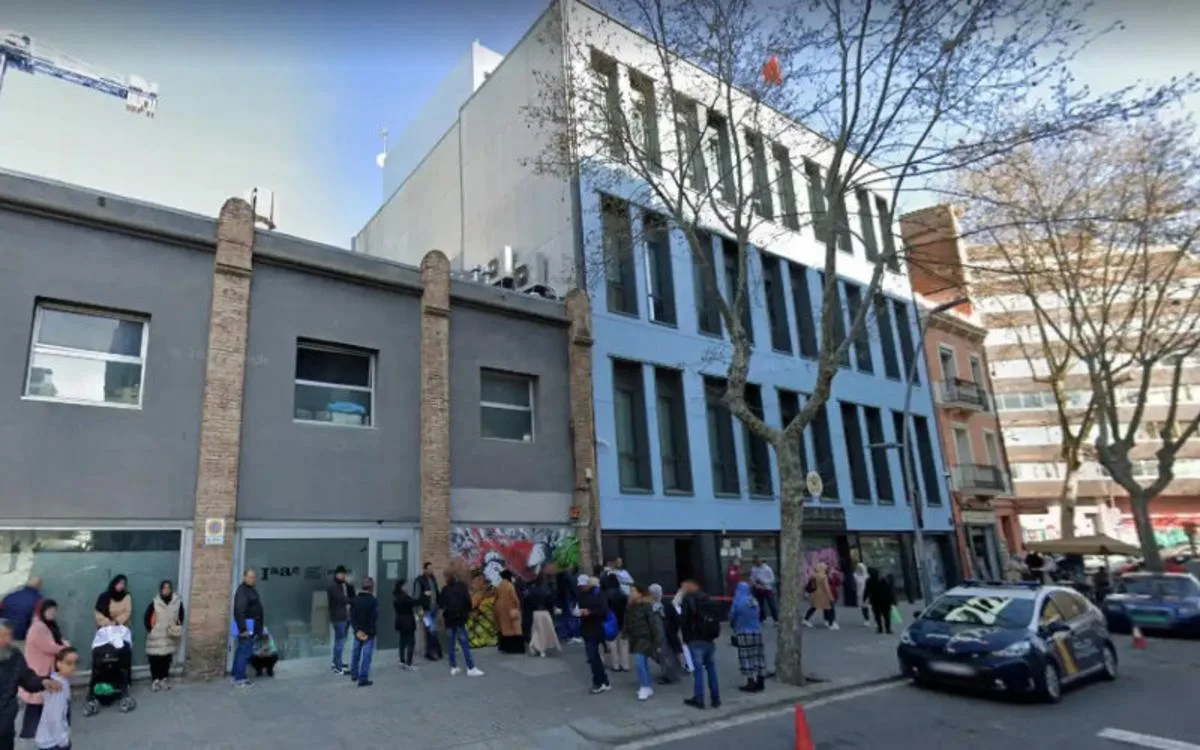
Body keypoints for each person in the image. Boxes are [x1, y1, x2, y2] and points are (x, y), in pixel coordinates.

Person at [0, 618, 62, 750]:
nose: (7, 640)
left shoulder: (14, 655)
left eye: (9, 635)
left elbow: (27, 678)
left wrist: (43, 682)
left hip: (6, 723)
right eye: (2, 636)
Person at [17, 600, 67, 741]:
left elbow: (57, 641)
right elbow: (50, 647)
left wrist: (63, 645)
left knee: (42, 702)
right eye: (50, 610)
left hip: (44, 668)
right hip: (38, 669)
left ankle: (40, 731)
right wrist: (66, 647)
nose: (53, 613)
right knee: (36, 702)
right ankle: (32, 732)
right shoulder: (38, 628)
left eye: (54, 611)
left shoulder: (48, 625)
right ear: (42, 611)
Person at [680, 579, 721, 710]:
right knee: (711, 669)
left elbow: (684, 620)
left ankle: (699, 698)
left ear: (690, 586)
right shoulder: (708, 598)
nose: (682, 590)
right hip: (709, 639)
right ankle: (715, 698)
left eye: (684, 587)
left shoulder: (689, 599)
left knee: (698, 671)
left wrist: (686, 639)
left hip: (695, 639)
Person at [440, 568, 484, 677]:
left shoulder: (444, 589)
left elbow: (441, 604)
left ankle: (453, 667)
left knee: (451, 645)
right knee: (464, 645)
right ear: (455, 576)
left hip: (449, 621)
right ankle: (471, 668)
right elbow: (468, 602)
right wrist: (466, 613)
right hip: (460, 621)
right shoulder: (461, 587)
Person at [143, 579, 184, 691]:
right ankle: (155, 680)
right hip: (156, 636)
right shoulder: (155, 602)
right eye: (164, 588)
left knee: (166, 659)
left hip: (169, 636)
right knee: (155, 659)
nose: (166, 590)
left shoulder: (177, 602)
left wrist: (177, 627)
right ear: (161, 590)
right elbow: (147, 617)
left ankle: (163, 679)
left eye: (168, 588)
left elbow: (181, 616)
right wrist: (151, 629)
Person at [34, 646, 76, 750]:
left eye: (75, 663)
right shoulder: (59, 686)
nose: (73, 667)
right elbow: (55, 717)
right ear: (58, 664)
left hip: (49, 739)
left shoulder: (56, 679)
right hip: (53, 742)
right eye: (69, 663)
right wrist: (63, 740)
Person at [622, 584, 659, 701]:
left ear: (640, 593)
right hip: (635, 638)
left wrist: (656, 640)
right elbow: (627, 621)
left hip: (645, 637)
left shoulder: (646, 606)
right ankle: (647, 686)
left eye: (633, 591)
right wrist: (624, 633)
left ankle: (644, 686)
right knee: (643, 663)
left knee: (639, 663)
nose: (631, 593)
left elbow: (653, 623)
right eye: (630, 591)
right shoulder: (630, 606)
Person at [575, 574, 610, 694]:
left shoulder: (598, 594)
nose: (582, 587)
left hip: (595, 628)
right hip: (587, 627)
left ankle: (599, 682)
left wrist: (590, 612)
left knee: (593, 657)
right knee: (594, 656)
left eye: (584, 585)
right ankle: (603, 681)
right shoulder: (581, 594)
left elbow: (603, 610)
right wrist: (580, 612)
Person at [729, 582, 765, 693]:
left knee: (746, 657)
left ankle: (751, 682)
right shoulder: (754, 601)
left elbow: (732, 616)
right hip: (757, 631)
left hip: (743, 632)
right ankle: (760, 680)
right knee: (758, 656)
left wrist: (733, 626)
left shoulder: (738, 601)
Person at [231, 568, 263, 688]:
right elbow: (239, 611)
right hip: (246, 626)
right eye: (250, 577)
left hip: (250, 625)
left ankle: (236, 675)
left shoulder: (249, 590)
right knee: (244, 652)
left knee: (242, 650)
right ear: (244, 577)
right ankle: (240, 678)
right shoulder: (243, 591)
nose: (252, 579)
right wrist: (243, 629)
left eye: (254, 577)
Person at [649, 584, 682, 684]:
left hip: (664, 635)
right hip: (664, 634)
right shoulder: (666, 604)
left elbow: (675, 620)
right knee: (664, 655)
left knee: (666, 656)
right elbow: (676, 619)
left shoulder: (659, 606)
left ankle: (669, 675)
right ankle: (670, 673)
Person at [349, 576, 378, 687]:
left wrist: (357, 630)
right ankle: (363, 678)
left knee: (355, 653)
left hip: (358, 631)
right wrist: (369, 631)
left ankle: (354, 674)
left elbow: (352, 617)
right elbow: (373, 617)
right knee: (366, 656)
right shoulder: (373, 601)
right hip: (369, 632)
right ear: (372, 587)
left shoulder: (355, 600)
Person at [327, 565, 355, 675]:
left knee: (340, 641)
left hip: (345, 616)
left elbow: (352, 597)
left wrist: (350, 585)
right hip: (338, 618)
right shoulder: (333, 587)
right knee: (339, 642)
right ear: (337, 574)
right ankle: (338, 668)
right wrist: (351, 600)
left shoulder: (343, 585)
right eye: (342, 574)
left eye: (344, 574)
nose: (344, 576)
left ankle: (336, 662)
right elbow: (342, 600)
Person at [414, 562, 442, 661]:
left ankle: (435, 651)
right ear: (424, 569)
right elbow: (416, 597)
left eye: (432, 568)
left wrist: (439, 605)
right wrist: (418, 612)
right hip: (425, 611)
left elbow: (436, 592)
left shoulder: (433, 579)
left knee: (432, 630)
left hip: (434, 609)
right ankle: (432, 652)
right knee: (431, 630)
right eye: (429, 569)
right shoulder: (419, 581)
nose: (431, 570)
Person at [0, 577, 41, 646]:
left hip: (4, 627)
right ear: (38, 587)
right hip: (20, 633)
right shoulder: (38, 599)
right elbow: (37, 619)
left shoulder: (11, 595)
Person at [602, 573, 630, 672]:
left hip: (611, 621)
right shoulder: (623, 594)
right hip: (623, 621)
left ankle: (616, 665)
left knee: (613, 644)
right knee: (624, 643)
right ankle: (625, 665)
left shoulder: (607, 595)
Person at [526, 577, 561, 657]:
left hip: (535, 613)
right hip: (545, 613)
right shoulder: (546, 591)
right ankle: (542, 649)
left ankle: (534, 645)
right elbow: (550, 602)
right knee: (544, 632)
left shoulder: (531, 592)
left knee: (535, 631)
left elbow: (527, 602)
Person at [495, 570, 524, 654]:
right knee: (515, 628)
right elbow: (514, 598)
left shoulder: (499, 585)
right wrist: (518, 607)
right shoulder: (510, 585)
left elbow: (496, 597)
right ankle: (516, 648)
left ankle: (504, 647)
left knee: (504, 628)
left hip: (500, 608)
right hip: (510, 607)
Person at [803, 564, 838, 630]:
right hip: (824, 595)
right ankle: (831, 624)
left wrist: (811, 594)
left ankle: (806, 619)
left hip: (816, 594)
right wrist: (830, 596)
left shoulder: (814, 575)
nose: (826, 569)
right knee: (830, 608)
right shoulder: (824, 576)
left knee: (814, 607)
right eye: (825, 568)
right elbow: (826, 588)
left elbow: (812, 587)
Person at [393, 578, 418, 670]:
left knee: (402, 641)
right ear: (402, 587)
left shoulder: (396, 596)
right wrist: (424, 597)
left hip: (400, 620)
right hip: (407, 620)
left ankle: (402, 661)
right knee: (411, 641)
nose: (407, 587)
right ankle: (409, 663)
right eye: (405, 585)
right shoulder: (405, 597)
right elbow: (414, 603)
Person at [864, 568, 896, 634]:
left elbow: (866, 591)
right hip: (885, 600)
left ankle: (880, 628)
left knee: (877, 615)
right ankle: (888, 629)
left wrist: (864, 598)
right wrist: (892, 600)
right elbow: (889, 590)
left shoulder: (869, 581)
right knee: (886, 615)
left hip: (875, 600)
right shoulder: (883, 580)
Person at [749, 557, 778, 624]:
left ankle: (776, 619)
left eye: (757, 564)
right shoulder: (754, 569)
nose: (756, 566)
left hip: (767, 588)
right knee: (760, 604)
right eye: (755, 564)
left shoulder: (767, 569)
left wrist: (764, 582)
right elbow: (752, 578)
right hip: (758, 588)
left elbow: (772, 579)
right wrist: (755, 584)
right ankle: (762, 618)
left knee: (771, 604)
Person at [853, 563, 870, 627]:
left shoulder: (867, 576)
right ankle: (866, 619)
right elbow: (854, 584)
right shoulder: (855, 576)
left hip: (867, 593)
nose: (859, 569)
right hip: (860, 593)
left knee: (867, 606)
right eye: (858, 568)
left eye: (860, 568)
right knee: (863, 607)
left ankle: (868, 619)